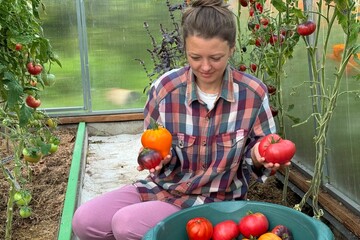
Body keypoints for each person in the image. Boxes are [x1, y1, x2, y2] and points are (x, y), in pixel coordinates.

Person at [72, 0, 287, 239]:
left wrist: (258, 156)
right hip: (165, 189)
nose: (205, 67)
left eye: (215, 57)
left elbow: (258, 152)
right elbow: (151, 146)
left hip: (216, 201)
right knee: (85, 221)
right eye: (195, 57)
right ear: (185, 48)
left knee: (126, 224)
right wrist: (158, 160)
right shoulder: (165, 89)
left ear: (232, 48)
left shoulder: (252, 93)